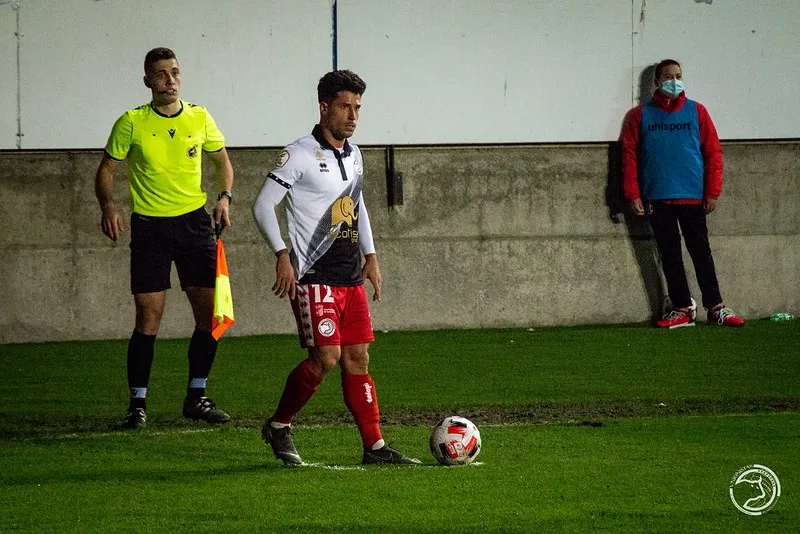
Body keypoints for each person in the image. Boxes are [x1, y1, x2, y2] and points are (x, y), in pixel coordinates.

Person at [253, 70, 420, 465]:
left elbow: (356, 207)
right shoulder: (297, 155)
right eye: (345, 106)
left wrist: (372, 256)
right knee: (325, 358)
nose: (353, 115)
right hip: (313, 276)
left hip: (350, 277)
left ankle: (375, 447)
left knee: (358, 360)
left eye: (357, 107)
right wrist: (281, 253)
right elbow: (262, 205)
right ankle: (279, 426)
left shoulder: (355, 154)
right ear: (324, 107)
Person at [94, 47, 235, 428]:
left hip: (194, 225)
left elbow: (223, 162)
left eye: (174, 72)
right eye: (161, 74)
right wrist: (108, 206)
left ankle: (196, 397)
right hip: (150, 228)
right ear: (147, 80)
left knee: (209, 316)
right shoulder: (131, 122)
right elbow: (106, 170)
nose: (169, 79)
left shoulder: (199, 116)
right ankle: (137, 404)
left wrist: (224, 198)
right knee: (148, 316)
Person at [620, 59, 744, 329]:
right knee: (669, 254)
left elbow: (713, 153)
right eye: (668, 77)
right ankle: (682, 308)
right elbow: (629, 157)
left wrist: (712, 192)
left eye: (678, 76)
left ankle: (716, 307)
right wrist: (633, 194)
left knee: (701, 252)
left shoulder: (697, 112)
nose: (674, 81)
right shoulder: (639, 116)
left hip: (692, 196)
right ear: (657, 81)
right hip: (658, 197)